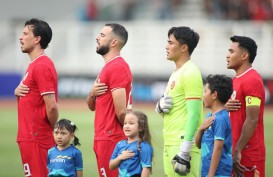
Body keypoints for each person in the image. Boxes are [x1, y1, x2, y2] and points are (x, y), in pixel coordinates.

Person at [155, 26, 203, 177]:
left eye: (170, 43)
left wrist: (185, 147)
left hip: (182, 143)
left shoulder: (191, 72)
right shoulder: (176, 72)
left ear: (183, 47)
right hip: (170, 141)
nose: (166, 46)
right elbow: (173, 106)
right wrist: (159, 107)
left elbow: (194, 114)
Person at [87, 23, 133, 177]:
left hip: (112, 138)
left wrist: (132, 135)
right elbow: (91, 106)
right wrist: (92, 94)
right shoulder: (108, 67)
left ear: (114, 42)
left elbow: (121, 112)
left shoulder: (116, 67)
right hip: (104, 137)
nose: (97, 37)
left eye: (102, 35)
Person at [14, 18, 59, 177]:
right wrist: (18, 94)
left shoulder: (41, 65)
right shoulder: (34, 65)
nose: (21, 37)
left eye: (26, 33)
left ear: (37, 39)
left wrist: (56, 130)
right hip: (30, 137)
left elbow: (52, 105)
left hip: (37, 138)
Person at [225, 35, 266, 177]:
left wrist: (238, 150)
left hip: (247, 155)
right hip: (236, 152)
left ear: (244, 55)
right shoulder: (235, 80)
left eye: (231, 52)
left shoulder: (252, 80)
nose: (227, 56)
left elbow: (252, 119)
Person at [195, 74, 233, 177]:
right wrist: (201, 129)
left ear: (214, 95)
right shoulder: (209, 116)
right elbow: (199, 145)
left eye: (205, 91)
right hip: (207, 172)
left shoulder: (221, 119)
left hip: (219, 174)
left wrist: (211, 175)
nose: (203, 95)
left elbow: (218, 149)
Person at [109, 111, 153, 177]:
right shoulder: (120, 144)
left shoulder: (143, 146)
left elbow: (146, 168)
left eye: (131, 123)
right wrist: (120, 157)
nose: (126, 126)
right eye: (125, 123)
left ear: (140, 127)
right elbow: (111, 166)